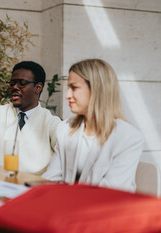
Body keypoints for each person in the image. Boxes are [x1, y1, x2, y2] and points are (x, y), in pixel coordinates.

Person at [42, 59, 144, 192]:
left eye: (74, 88)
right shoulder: (65, 129)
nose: (67, 95)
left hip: (107, 210)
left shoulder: (128, 137)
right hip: (68, 206)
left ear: (97, 89)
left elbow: (109, 194)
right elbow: (51, 179)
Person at [0, 61, 61, 175]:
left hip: (33, 186)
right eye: (12, 83)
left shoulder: (51, 122)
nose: (15, 87)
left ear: (38, 88)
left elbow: (65, 152)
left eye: (22, 83)